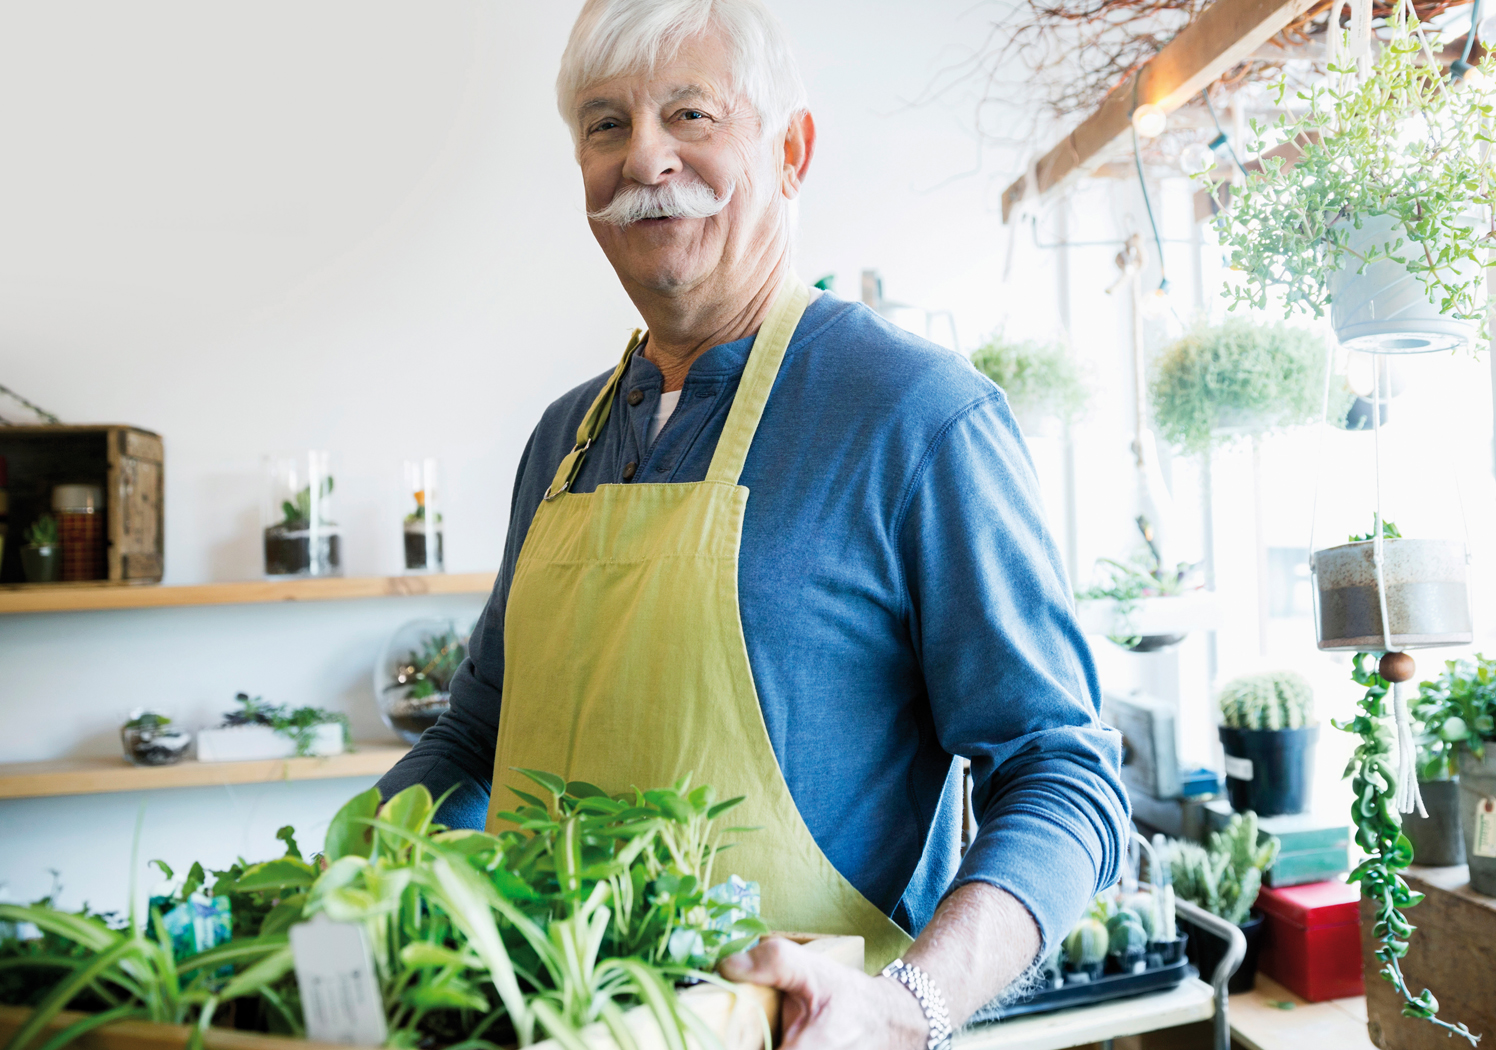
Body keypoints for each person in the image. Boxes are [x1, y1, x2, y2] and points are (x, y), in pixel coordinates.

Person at [374, 0, 1128, 1045]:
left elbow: (1063, 774)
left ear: (791, 151)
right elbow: (476, 737)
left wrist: (910, 1008)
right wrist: (345, 876)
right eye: (604, 125)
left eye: (690, 114)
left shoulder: (914, 417)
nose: (644, 158)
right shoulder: (562, 441)